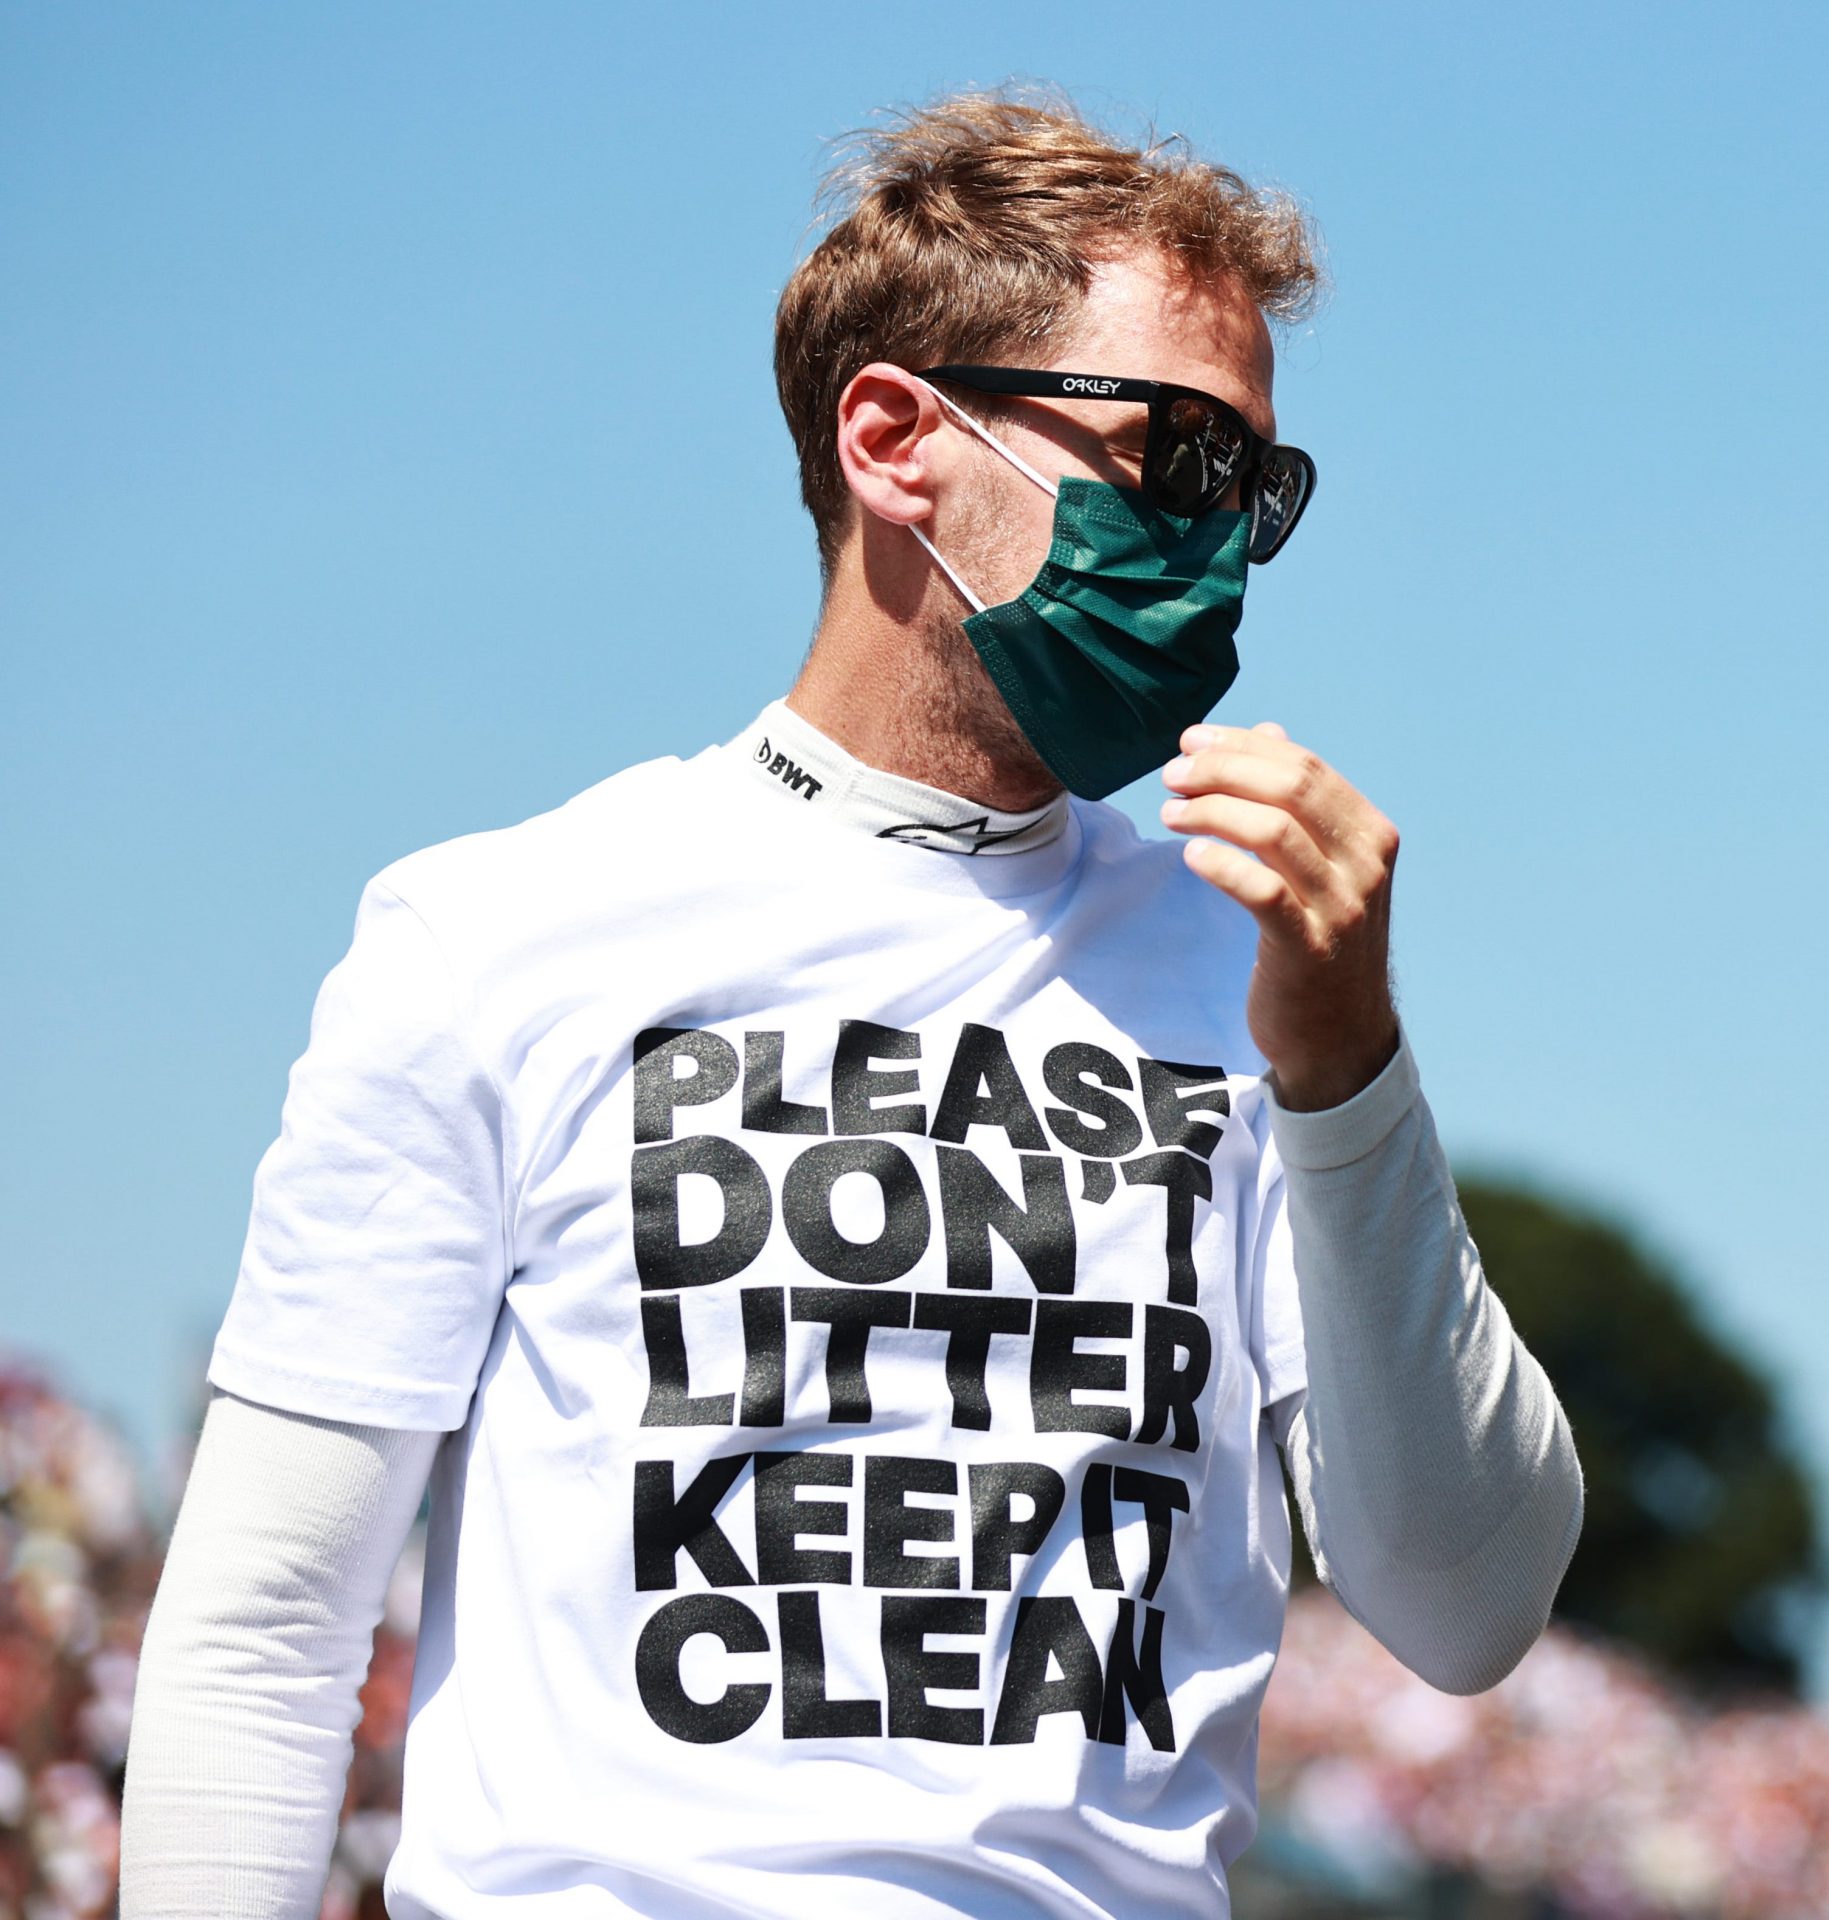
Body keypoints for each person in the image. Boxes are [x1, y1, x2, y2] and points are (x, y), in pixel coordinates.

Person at [122, 92, 1582, 1920]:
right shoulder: (498, 934)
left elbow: (1470, 1603)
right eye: (1179, 459)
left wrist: (1350, 1069)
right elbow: (263, 1629)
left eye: (1258, 494)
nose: (1220, 551)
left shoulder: (1254, 980)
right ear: (898, 438)